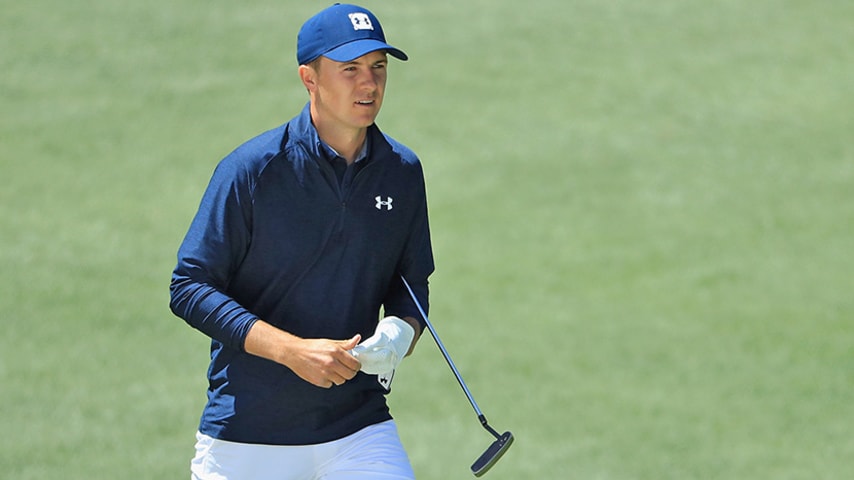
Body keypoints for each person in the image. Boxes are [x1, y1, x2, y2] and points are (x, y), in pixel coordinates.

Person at [169, 4, 434, 479]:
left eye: (378, 67)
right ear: (309, 79)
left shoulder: (403, 173)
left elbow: (411, 284)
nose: (369, 84)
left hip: (358, 428)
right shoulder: (252, 171)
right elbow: (189, 286)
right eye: (349, 69)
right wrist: (290, 351)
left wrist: (400, 333)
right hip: (247, 436)